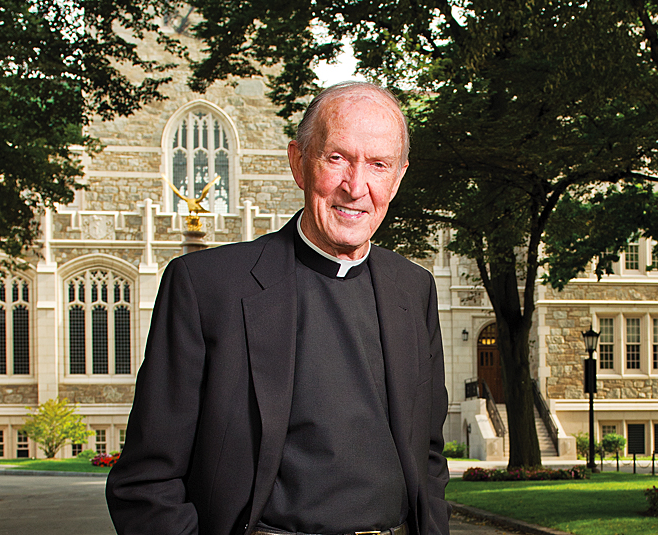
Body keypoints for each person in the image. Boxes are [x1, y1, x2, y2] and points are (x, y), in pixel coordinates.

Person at [106, 81, 450, 535]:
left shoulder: (414, 289)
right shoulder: (206, 287)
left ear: (398, 176)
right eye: (337, 158)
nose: (356, 186)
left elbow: (428, 457)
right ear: (298, 163)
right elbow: (145, 482)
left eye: (378, 164)